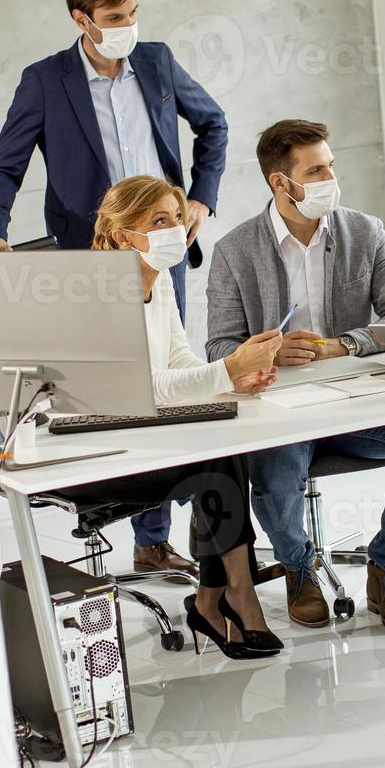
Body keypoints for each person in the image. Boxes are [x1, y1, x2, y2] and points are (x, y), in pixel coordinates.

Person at [0, 0, 229, 576]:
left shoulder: (159, 62)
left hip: (160, 245)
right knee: (115, 384)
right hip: (89, 256)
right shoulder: (45, 81)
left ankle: (153, 537)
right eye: (115, 18)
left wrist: (201, 197)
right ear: (80, 18)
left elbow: (213, 123)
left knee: (168, 368)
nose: (128, 27)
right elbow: (5, 165)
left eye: (134, 14)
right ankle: (113, 493)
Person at [205, 120, 385, 633]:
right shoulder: (233, 251)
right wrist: (265, 354)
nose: (330, 177)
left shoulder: (365, 231)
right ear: (280, 182)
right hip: (282, 408)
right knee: (275, 462)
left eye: (330, 165)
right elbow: (219, 348)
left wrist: (345, 344)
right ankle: (299, 567)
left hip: (358, 403)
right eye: (316, 170)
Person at [49, 176, 282, 659]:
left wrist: (230, 378)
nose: (176, 229)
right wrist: (224, 371)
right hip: (95, 454)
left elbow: (177, 362)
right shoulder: (96, 293)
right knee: (217, 461)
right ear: (120, 236)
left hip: (141, 437)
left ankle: (222, 597)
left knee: (223, 449)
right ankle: (227, 597)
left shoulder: (159, 284)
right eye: (159, 221)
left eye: (177, 218)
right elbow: (140, 385)